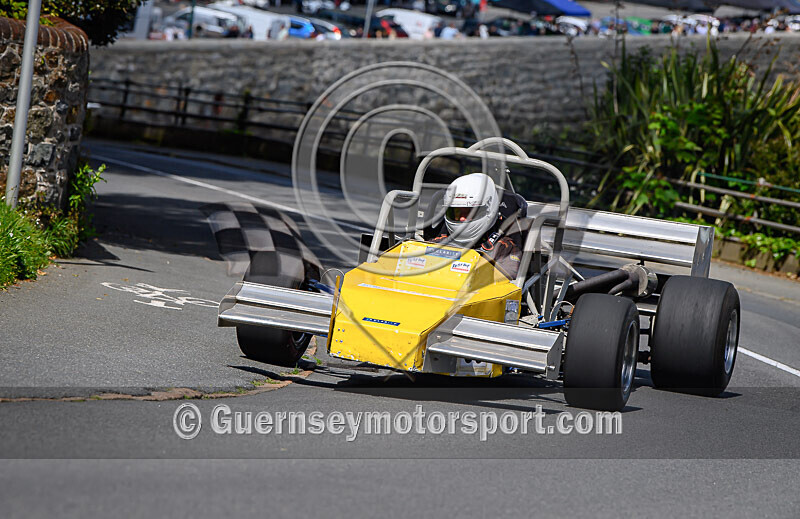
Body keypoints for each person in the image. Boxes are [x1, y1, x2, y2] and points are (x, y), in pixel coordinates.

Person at [430, 173, 522, 279]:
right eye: (456, 213)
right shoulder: (440, 241)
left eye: (469, 213)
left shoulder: (503, 248)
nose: (462, 219)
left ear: (488, 210)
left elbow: (507, 282)